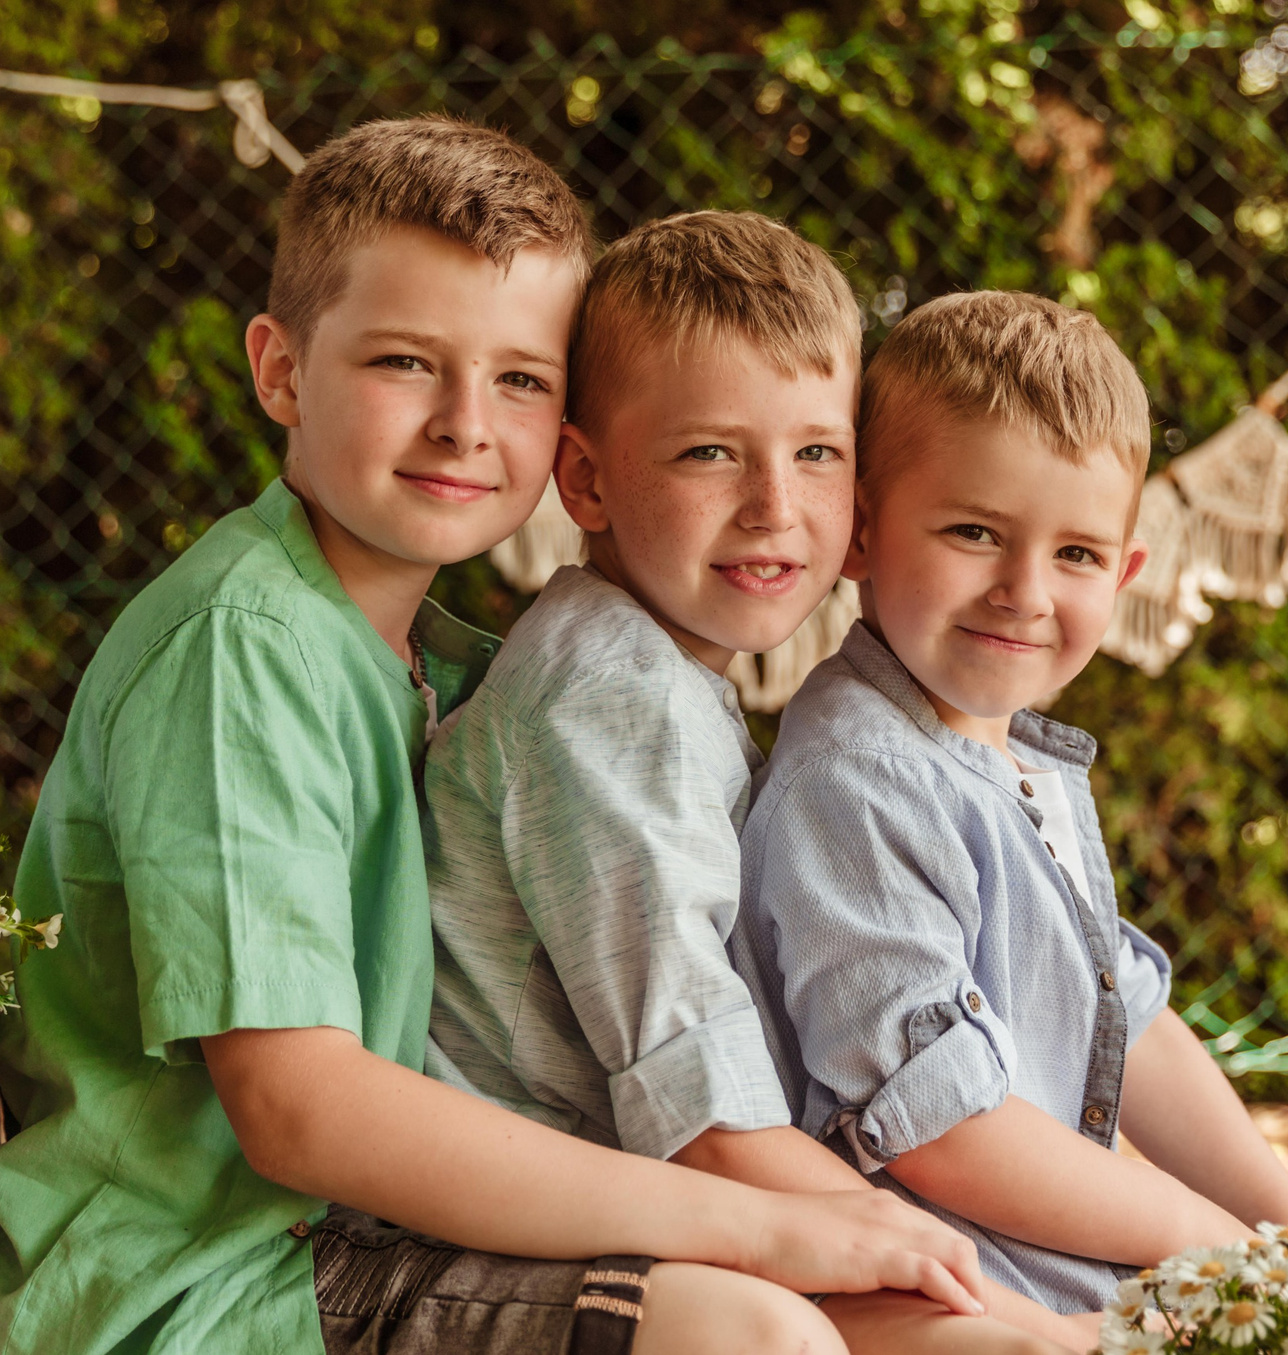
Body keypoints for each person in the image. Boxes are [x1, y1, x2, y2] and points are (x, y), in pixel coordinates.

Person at [0, 117, 998, 1355]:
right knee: (748, 1331)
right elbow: (301, 1112)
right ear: (278, 370)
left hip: (356, 1243)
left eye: (520, 377)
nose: (466, 423)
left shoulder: (448, 660)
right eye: (406, 363)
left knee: (927, 1318)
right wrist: (756, 1227)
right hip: (207, 1277)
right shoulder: (238, 642)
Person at [422, 214, 1090, 1354]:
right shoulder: (611, 701)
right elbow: (708, 1125)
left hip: (653, 1201)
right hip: (515, 1239)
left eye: (816, 452)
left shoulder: (672, 676)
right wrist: (1007, 1306)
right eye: (708, 453)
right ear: (583, 479)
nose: (774, 506)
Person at [733, 290, 1288, 1319]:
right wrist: (1215, 1245)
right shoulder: (860, 780)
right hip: (942, 1301)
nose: (1025, 590)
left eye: (1076, 555)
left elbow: (1126, 1022)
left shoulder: (1017, 760)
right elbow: (942, 1129)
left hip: (1049, 1275)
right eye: (973, 532)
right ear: (861, 532)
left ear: (1125, 570)